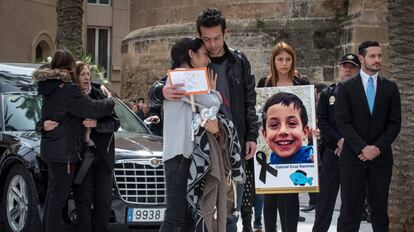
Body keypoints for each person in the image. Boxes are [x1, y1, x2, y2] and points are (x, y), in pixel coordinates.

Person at [149, 8, 259, 232]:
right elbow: (163, 85)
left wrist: (252, 135)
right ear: (199, 40)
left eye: (217, 38)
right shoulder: (188, 69)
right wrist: (160, 92)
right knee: (197, 210)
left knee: (228, 210)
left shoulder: (238, 61)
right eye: (207, 40)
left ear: (225, 33)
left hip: (229, 143)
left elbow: (250, 100)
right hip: (201, 149)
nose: (213, 45)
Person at [33, 49, 115, 232]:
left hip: (53, 151)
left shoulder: (49, 87)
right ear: (71, 67)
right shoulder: (68, 90)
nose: (86, 77)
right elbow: (93, 109)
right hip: (65, 155)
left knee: (53, 198)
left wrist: (42, 126)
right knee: (58, 200)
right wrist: (110, 100)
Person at [335, 41, 401, 232]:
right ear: (362, 58)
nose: (377, 59)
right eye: (373, 56)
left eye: (379, 56)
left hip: (381, 160)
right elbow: (343, 122)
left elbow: (394, 123)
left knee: (380, 212)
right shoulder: (346, 87)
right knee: (349, 212)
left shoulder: (390, 88)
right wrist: (362, 148)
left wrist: (376, 148)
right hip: (352, 159)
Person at [257, 41, 309, 232]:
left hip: (293, 153)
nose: (284, 63)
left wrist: (313, 131)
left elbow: (307, 114)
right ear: (274, 61)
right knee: (270, 196)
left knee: (290, 194)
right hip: (270, 153)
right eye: (280, 59)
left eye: (288, 59)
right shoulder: (264, 83)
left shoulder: (301, 84)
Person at [311, 53, 360, 232]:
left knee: (350, 203)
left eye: (352, 66)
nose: (348, 69)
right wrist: (339, 141)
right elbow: (322, 121)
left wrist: (348, 144)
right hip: (332, 153)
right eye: (344, 66)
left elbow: (364, 124)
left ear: (358, 69)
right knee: (325, 201)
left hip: (354, 155)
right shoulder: (328, 93)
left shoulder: (363, 95)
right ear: (339, 69)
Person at [72, 62, 120, 232]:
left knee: (103, 200)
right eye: (82, 74)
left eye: (88, 74)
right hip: (81, 155)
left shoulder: (100, 94)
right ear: (75, 77)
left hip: (102, 155)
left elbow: (115, 123)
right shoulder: (71, 97)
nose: (86, 77)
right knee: (83, 199)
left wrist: (97, 124)